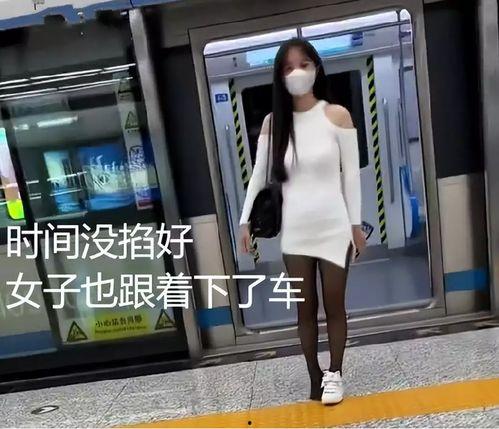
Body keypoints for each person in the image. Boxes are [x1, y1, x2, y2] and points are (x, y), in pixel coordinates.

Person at [238, 38, 366, 405]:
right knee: (305, 310)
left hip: (334, 226)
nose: (297, 73)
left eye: (303, 64)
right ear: (280, 77)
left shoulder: (337, 116)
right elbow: (258, 175)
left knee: (335, 305)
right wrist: (245, 221)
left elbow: (351, 177)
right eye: (288, 67)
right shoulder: (273, 123)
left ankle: (335, 374)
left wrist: (355, 226)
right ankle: (314, 376)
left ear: (316, 68)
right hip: (295, 231)